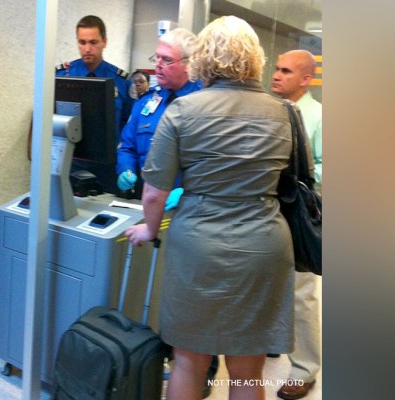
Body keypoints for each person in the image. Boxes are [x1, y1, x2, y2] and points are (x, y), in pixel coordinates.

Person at [125, 16, 295, 400]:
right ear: (255, 58)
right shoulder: (284, 113)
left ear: (203, 57)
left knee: (188, 360)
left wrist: (150, 230)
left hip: (198, 246)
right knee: (248, 368)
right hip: (263, 245)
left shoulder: (183, 112)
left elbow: (154, 191)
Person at [270, 49, 323, 400]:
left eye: (286, 71)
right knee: (270, 286)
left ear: (306, 78)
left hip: (300, 214)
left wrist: (302, 178)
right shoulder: (269, 110)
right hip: (269, 211)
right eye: (275, 68)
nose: (276, 75)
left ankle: (304, 369)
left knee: (302, 293)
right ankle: (272, 340)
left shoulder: (319, 117)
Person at [115, 28, 202, 201]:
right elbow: (127, 147)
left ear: (188, 64)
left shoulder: (205, 103)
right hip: (144, 200)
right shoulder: (146, 103)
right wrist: (126, 169)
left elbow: (212, 162)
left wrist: (187, 190)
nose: (158, 64)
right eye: (157, 57)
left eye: (167, 59)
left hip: (187, 206)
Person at [56, 15, 131, 139]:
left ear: (104, 41)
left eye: (93, 42)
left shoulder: (121, 81)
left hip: (108, 154)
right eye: (82, 42)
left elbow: (128, 125)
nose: (87, 49)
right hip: (71, 154)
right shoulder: (61, 77)